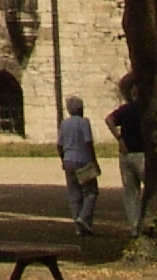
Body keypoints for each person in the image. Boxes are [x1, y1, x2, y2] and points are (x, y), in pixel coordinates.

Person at [109, 81, 148, 231]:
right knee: (150, 188)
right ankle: (147, 221)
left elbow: (109, 119)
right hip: (142, 153)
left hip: (126, 153)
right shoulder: (146, 110)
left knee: (131, 192)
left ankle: (134, 226)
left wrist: (119, 138)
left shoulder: (125, 109)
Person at [58, 97, 100, 235]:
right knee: (90, 191)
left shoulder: (64, 124)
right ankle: (83, 217)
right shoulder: (84, 122)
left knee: (74, 193)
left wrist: (63, 159)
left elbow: (59, 144)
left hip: (69, 159)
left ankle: (78, 225)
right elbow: (88, 142)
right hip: (83, 160)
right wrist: (94, 161)